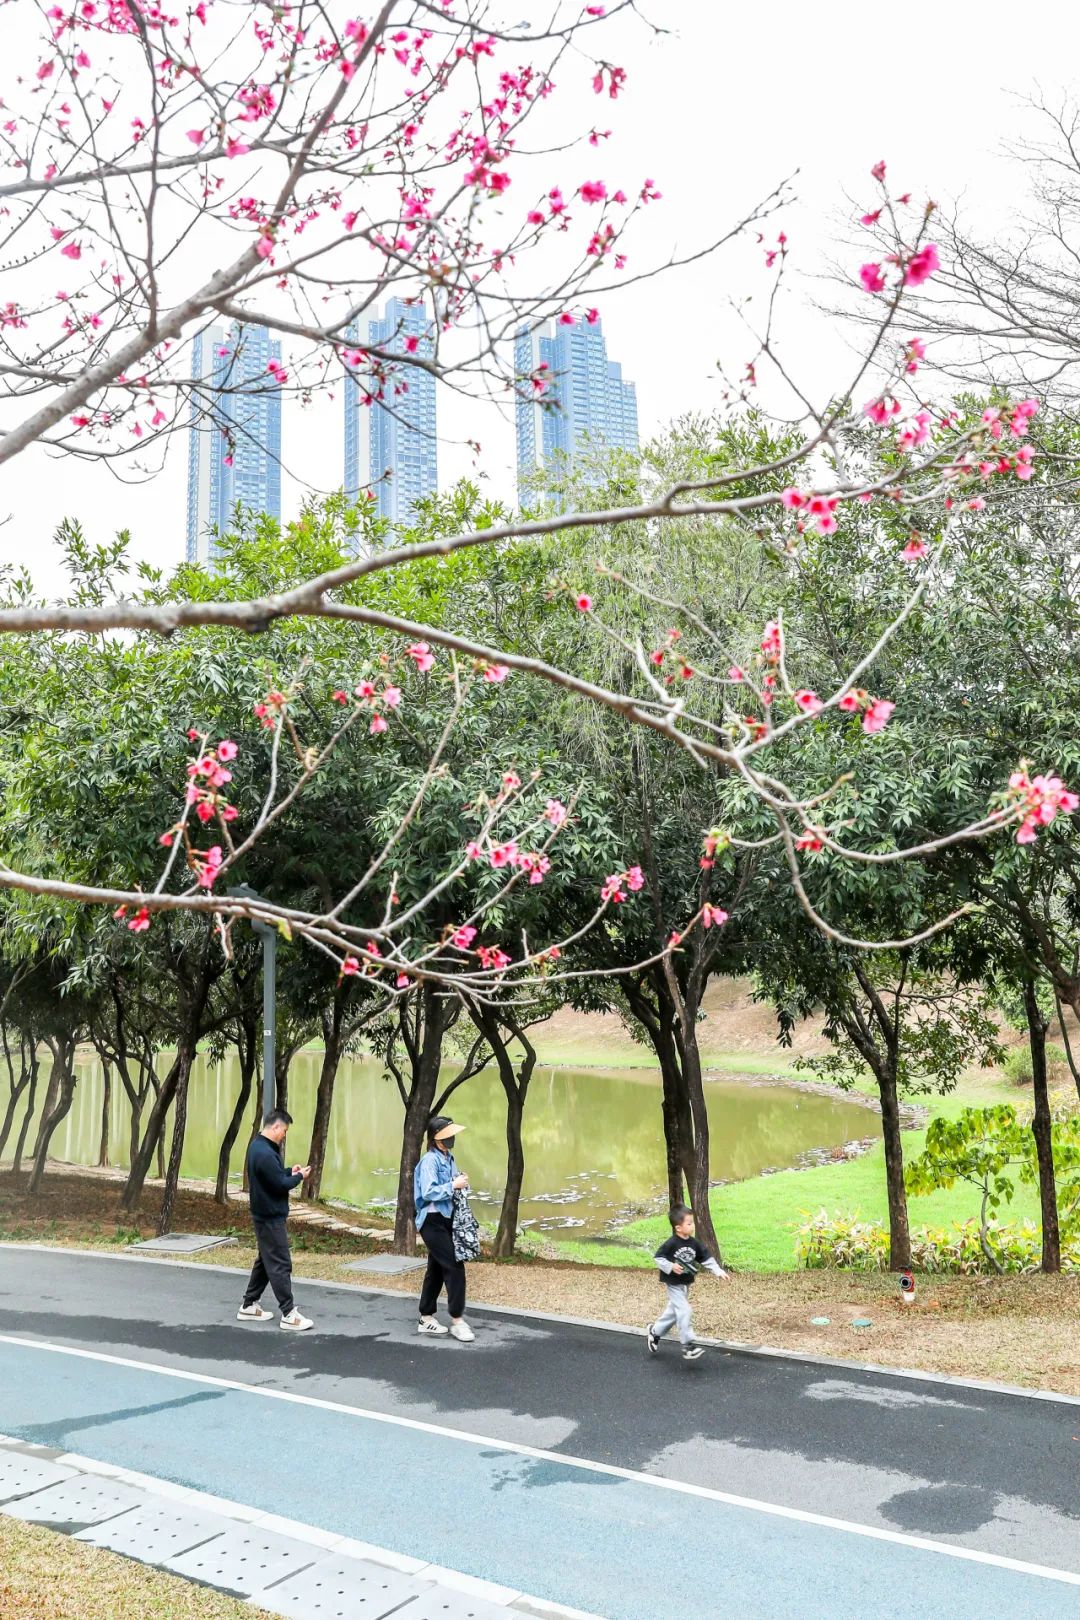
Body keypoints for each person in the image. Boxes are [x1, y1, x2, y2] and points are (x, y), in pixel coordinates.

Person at [236, 1107, 314, 1332]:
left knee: (265, 1261)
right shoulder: (265, 1153)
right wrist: (299, 1177)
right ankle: (289, 1314)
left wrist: (290, 1171)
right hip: (269, 1218)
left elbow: (275, 1177)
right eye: (284, 1131)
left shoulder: (259, 1147)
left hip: (264, 1215)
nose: (284, 1135)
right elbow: (280, 1184)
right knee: (280, 1263)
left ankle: (249, 1305)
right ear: (275, 1126)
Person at [414, 1114, 475, 1342]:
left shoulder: (448, 1158)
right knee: (454, 1265)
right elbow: (429, 1191)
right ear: (436, 1138)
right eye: (447, 1135)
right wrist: (453, 1184)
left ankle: (426, 1316)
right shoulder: (430, 1160)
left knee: (437, 1269)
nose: (452, 1139)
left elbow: (452, 1183)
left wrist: (460, 1180)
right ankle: (458, 1321)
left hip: (446, 1218)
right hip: (432, 1220)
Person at [647, 1204, 727, 1362]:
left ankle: (654, 1332)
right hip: (673, 1284)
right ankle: (688, 1345)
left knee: (673, 1313)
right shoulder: (671, 1243)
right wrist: (670, 1266)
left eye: (692, 1222)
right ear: (678, 1228)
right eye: (689, 1223)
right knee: (685, 1310)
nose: (692, 1226)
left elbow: (706, 1258)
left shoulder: (694, 1243)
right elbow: (658, 1258)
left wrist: (719, 1271)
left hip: (685, 1283)